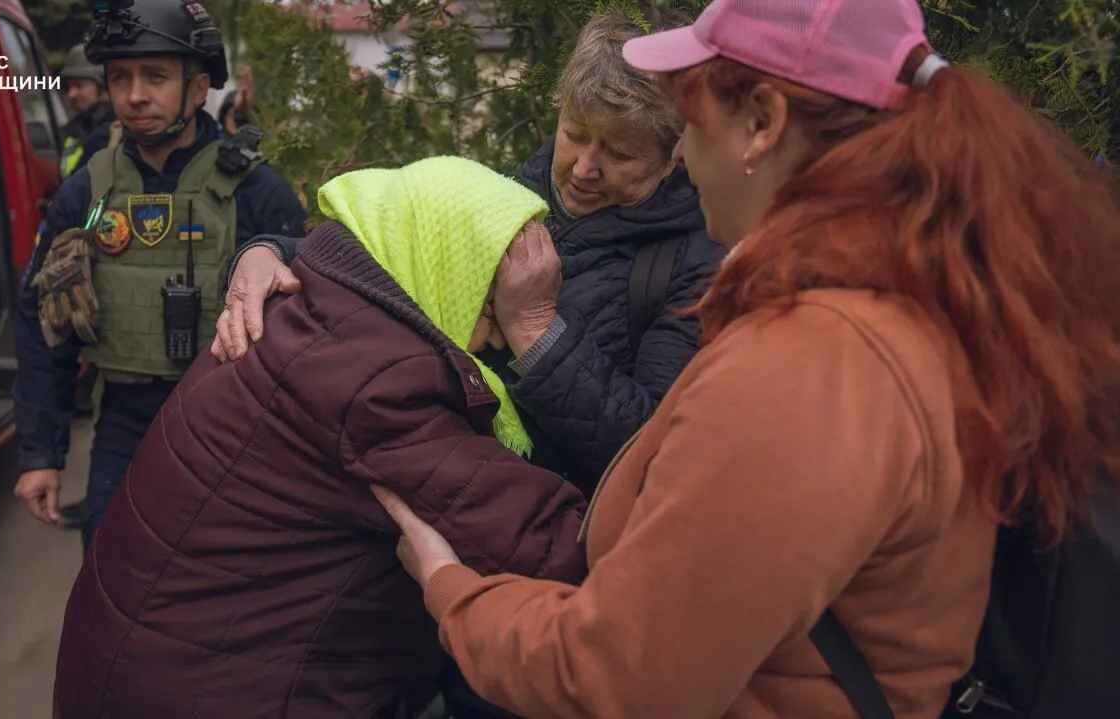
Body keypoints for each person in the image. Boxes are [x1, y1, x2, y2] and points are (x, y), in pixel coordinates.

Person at [372, 1, 1120, 718]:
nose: (681, 155)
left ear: (762, 124)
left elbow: (624, 678)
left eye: (693, 121)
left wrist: (455, 590)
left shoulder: (811, 363)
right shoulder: (896, 295)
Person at [52, 157, 587, 718]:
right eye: (492, 306)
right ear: (445, 270)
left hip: (145, 665)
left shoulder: (312, 302)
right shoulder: (378, 381)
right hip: (214, 690)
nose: (497, 337)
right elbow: (552, 551)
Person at [218, 11, 724, 497]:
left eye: (619, 153)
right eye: (575, 134)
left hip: (556, 528)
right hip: (435, 492)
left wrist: (535, 331)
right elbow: (380, 247)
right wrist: (269, 253)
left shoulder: (696, 269)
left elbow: (652, 453)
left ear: (672, 156)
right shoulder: (502, 194)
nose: (584, 168)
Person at [11, 0, 307, 549]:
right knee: (108, 558)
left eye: (156, 76)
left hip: (232, 421)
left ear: (198, 88)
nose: (135, 95)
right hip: (124, 421)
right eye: (119, 78)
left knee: (226, 568)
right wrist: (40, 453)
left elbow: (312, 313)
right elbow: (40, 321)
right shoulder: (87, 190)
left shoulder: (254, 189)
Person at [58, 43, 117, 179]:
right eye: (69, 87)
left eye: (79, 86)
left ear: (103, 86)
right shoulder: (75, 128)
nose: (71, 94)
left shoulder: (120, 132)